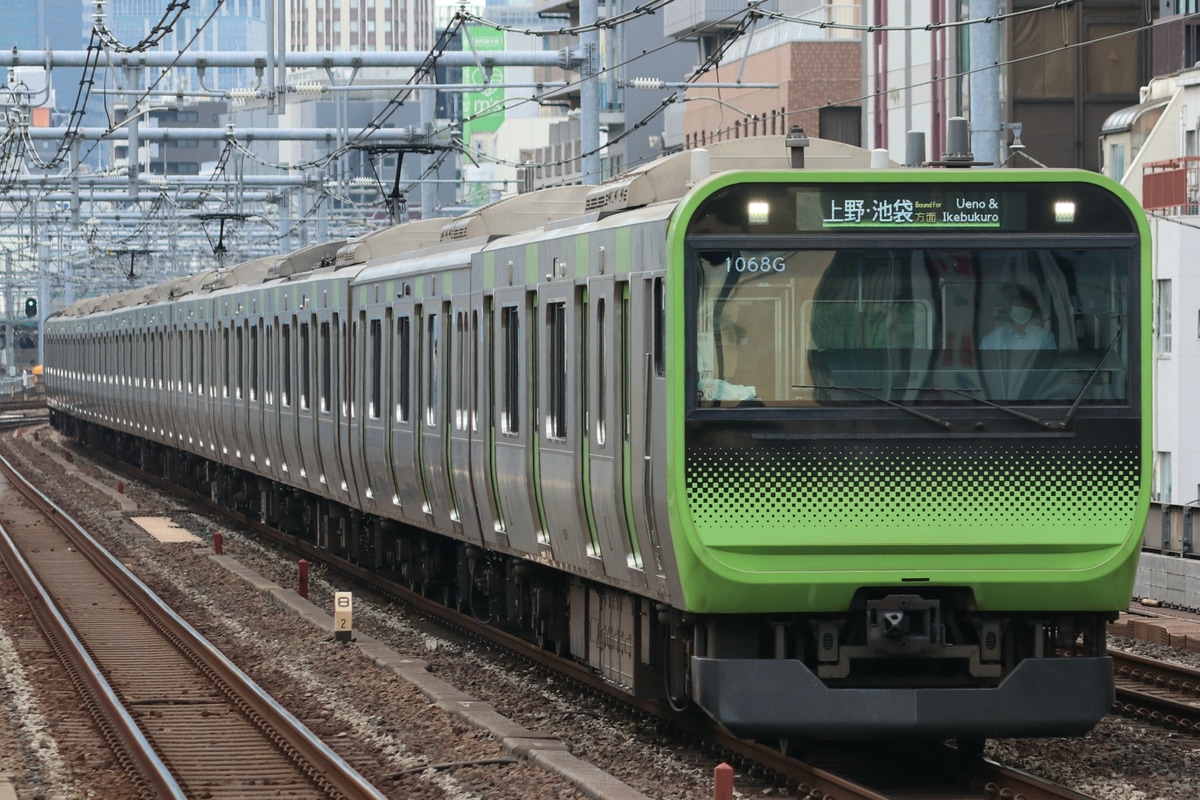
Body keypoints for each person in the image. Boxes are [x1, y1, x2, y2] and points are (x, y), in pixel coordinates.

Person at [980, 288, 1056, 350]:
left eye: (1027, 306)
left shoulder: (1045, 337)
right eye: (1019, 305)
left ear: (1033, 309)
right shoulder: (990, 340)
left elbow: (1050, 365)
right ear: (1008, 307)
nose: (1023, 309)